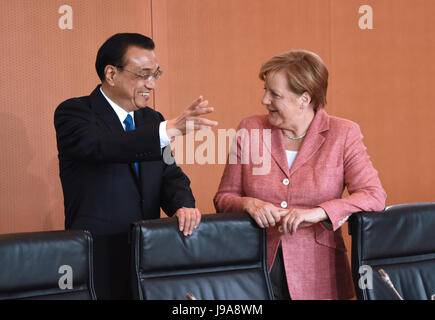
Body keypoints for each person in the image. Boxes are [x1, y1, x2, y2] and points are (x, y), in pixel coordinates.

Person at [54, 33, 217, 299]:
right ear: (111, 73)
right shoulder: (74, 113)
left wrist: (183, 205)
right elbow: (103, 146)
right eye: (143, 74)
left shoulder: (151, 119)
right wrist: (167, 130)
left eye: (156, 74)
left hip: (150, 254)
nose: (151, 84)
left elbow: (169, 174)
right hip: (98, 256)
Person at [214, 50, 386, 300]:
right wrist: (248, 204)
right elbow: (224, 197)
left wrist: (321, 212)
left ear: (304, 98)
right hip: (253, 267)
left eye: (275, 94)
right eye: (265, 90)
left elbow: (374, 196)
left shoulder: (343, 133)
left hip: (319, 272)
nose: (264, 100)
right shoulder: (249, 128)